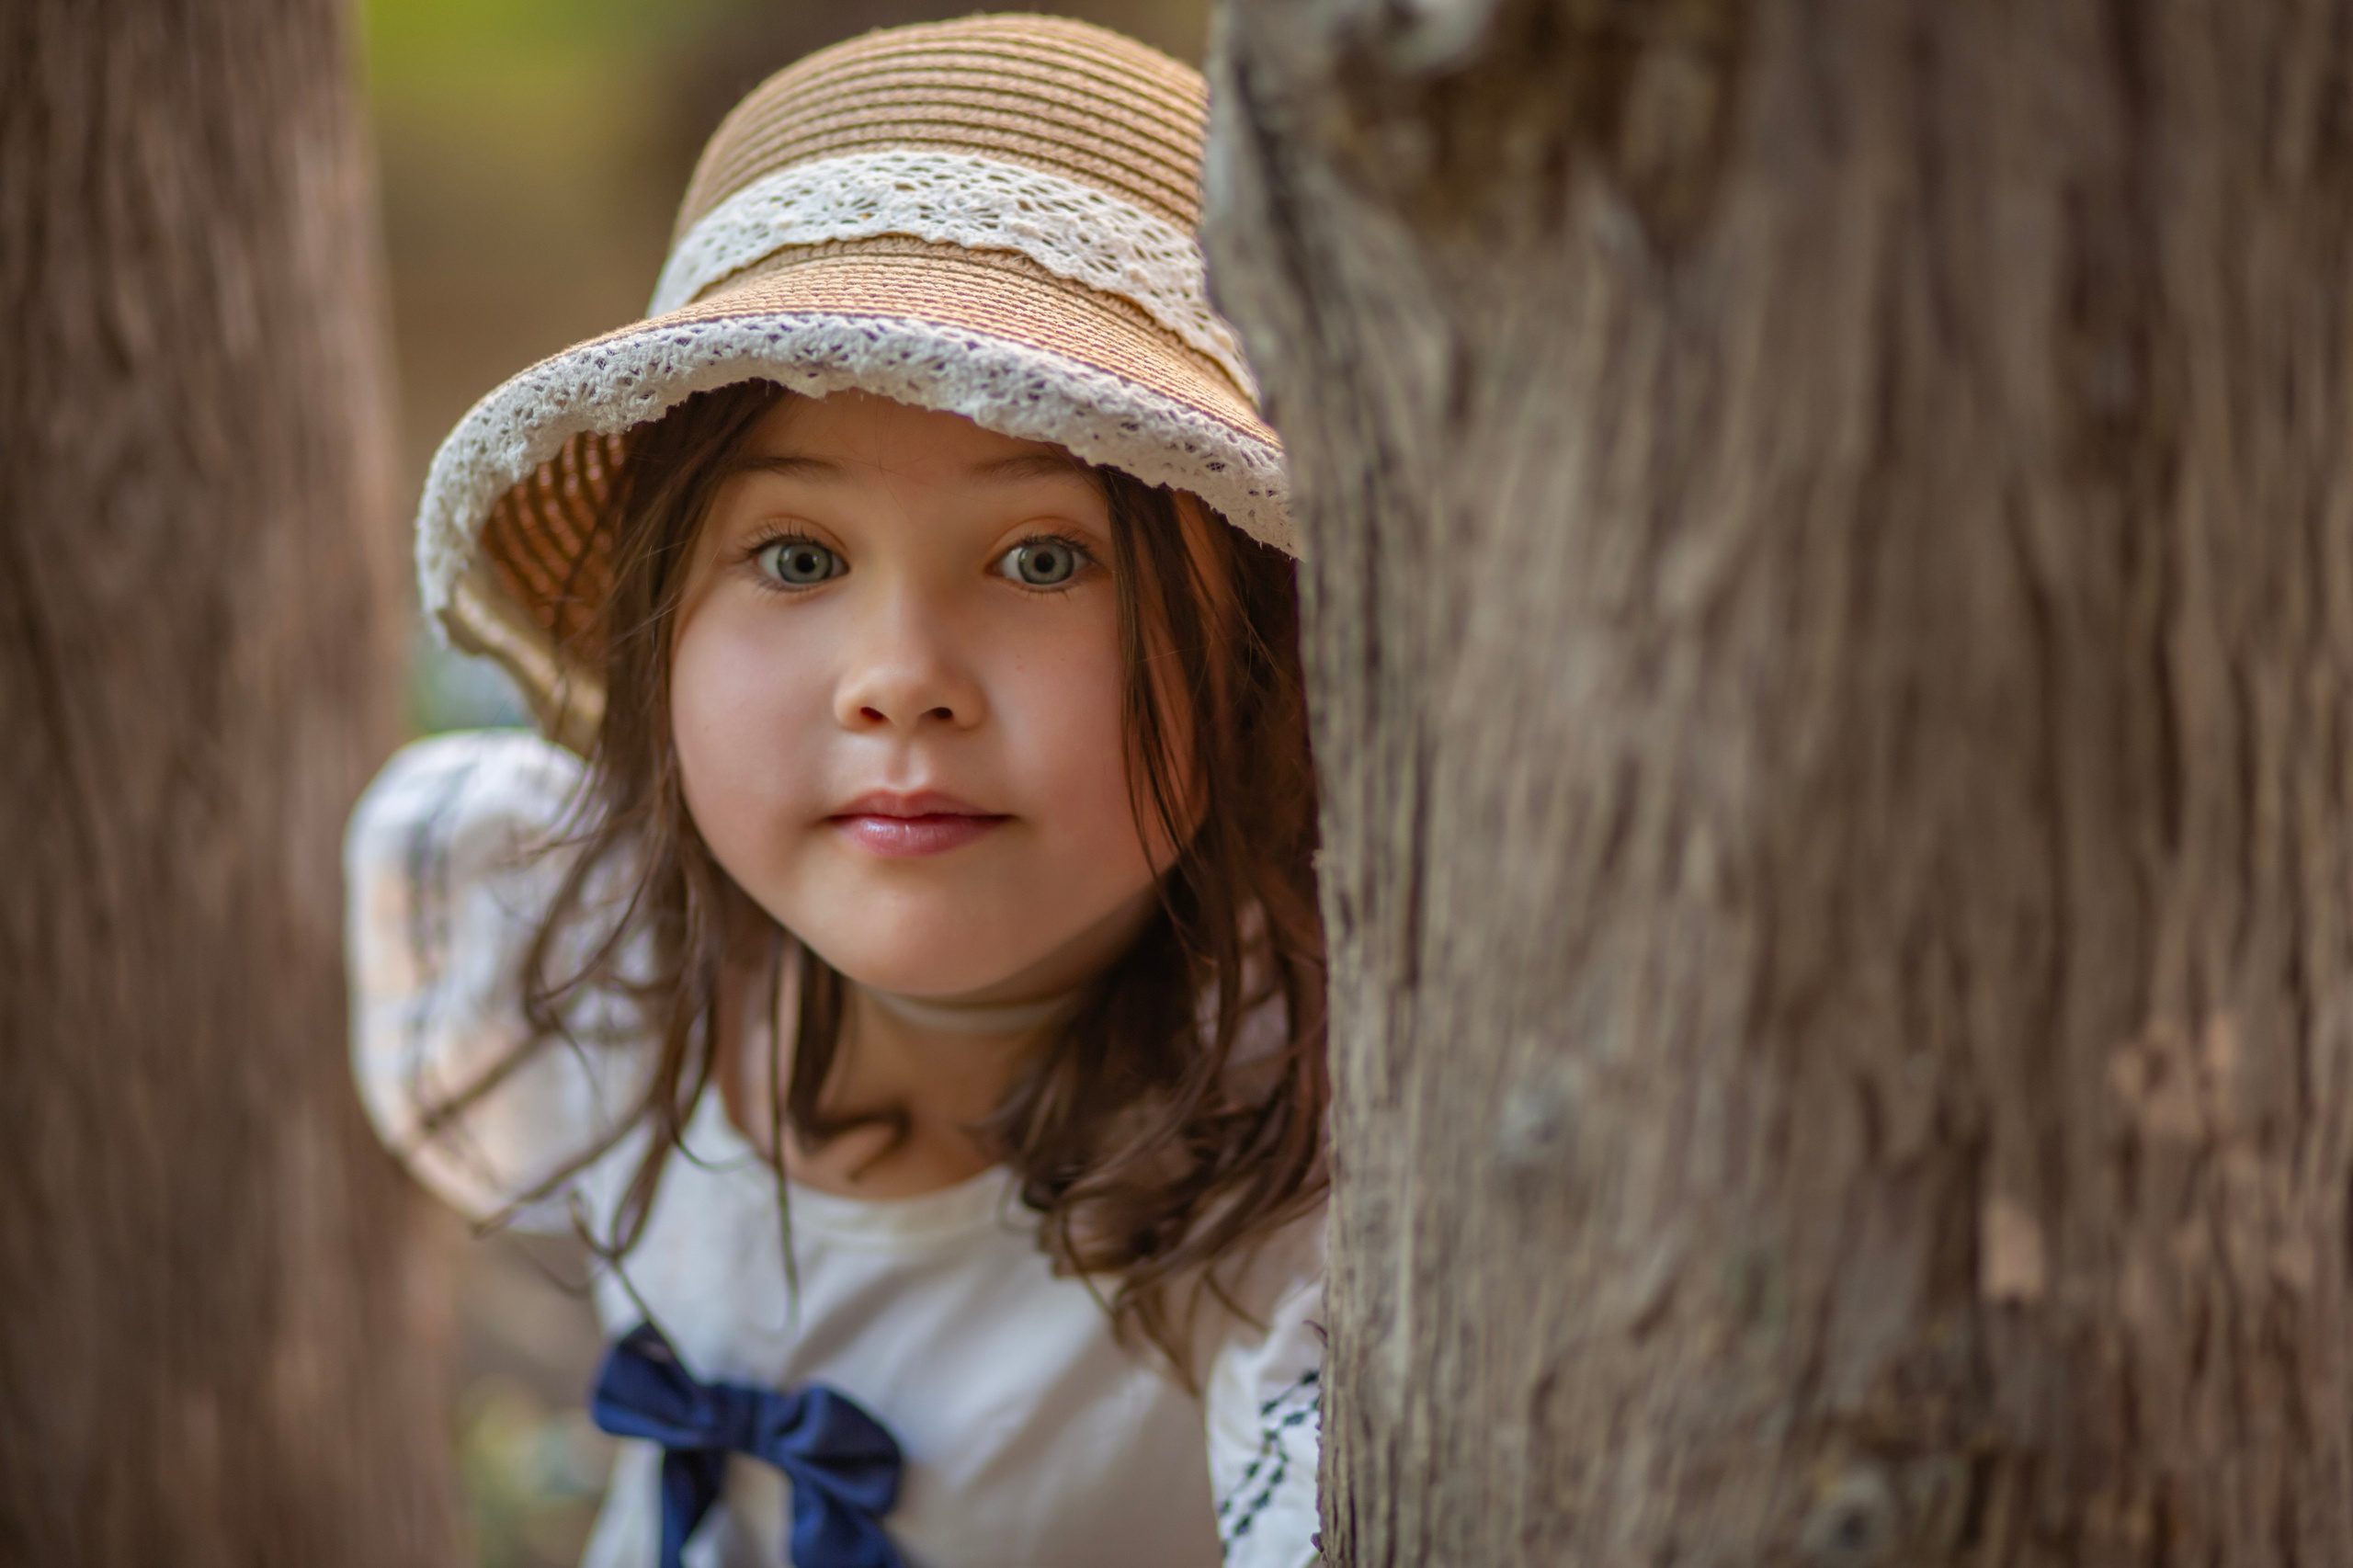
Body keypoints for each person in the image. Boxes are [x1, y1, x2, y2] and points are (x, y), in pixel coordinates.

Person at [345, 17, 1324, 1568]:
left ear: (1250, 658)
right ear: (661, 623)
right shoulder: (603, 955)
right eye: (796, 557)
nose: (900, 675)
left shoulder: (1286, 1192)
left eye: (1043, 558)